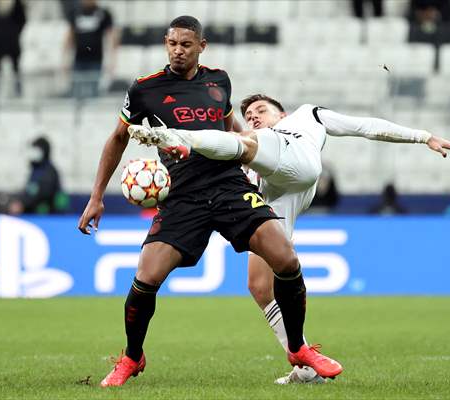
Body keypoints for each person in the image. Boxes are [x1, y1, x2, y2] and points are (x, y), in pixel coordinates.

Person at [77, 16, 342, 388]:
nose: (177, 51)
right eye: (172, 44)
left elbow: (232, 129)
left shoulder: (219, 81)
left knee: (286, 258)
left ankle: (298, 348)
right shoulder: (145, 89)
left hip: (229, 186)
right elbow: (117, 139)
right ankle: (132, 357)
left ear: (202, 46)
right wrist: (96, 197)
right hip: (183, 195)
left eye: (186, 44)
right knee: (146, 276)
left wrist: (258, 157)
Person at [129, 94, 450, 383]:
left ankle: (176, 137)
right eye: (248, 115)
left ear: (282, 114)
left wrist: (423, 137)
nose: (254, 117)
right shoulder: (254, 155)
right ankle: (304, 364)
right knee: (260, 285)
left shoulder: (307, 115)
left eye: (261, 110)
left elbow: (364, 126)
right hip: (279, 194)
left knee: (245, 143)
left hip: (295, 155)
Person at [64, 0, 117, 98]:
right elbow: (69, 36)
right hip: (79, 59)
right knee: (76, 92)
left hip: (95, 60)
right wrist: (65, 59)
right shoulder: (75, 12)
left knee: (93, 92)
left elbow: (111, 36)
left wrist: (112, 60)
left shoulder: (103, 14)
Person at [8, 137, 67, 215]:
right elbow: (29, 191)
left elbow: (43, 195)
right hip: (31, 211)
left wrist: (23, 204)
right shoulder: (35, 170)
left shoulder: (49, 172)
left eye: (36, 150)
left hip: (46, 214)